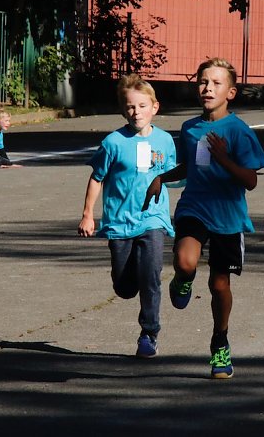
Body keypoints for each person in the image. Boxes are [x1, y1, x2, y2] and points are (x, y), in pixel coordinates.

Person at [143, 58, 264, 379]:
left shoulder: (239, 132)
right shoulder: (190, 128)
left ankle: (220, 341)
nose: (207, 88)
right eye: (202, 82)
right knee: (185, 262)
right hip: (194, 207)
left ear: (231, 92)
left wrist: (225, 159)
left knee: (219, 284)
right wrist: (161, 178)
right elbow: (189, 166)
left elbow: (250, 180)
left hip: (228, 216)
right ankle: (183, 279)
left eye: (216, 83)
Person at [78, 74, 176, 358]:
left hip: (152, 219)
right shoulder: (113, 143)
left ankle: (149, 333)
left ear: (155, 107)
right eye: (131, 107)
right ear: (124, 110)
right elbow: (97, 178)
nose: (137, 112)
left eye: (143, 106)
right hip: (120, 223)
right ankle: (128, 279)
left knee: (151, 276)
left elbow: (173, 175)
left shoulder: (165, 140)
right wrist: (88, 215)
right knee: (123, 287)